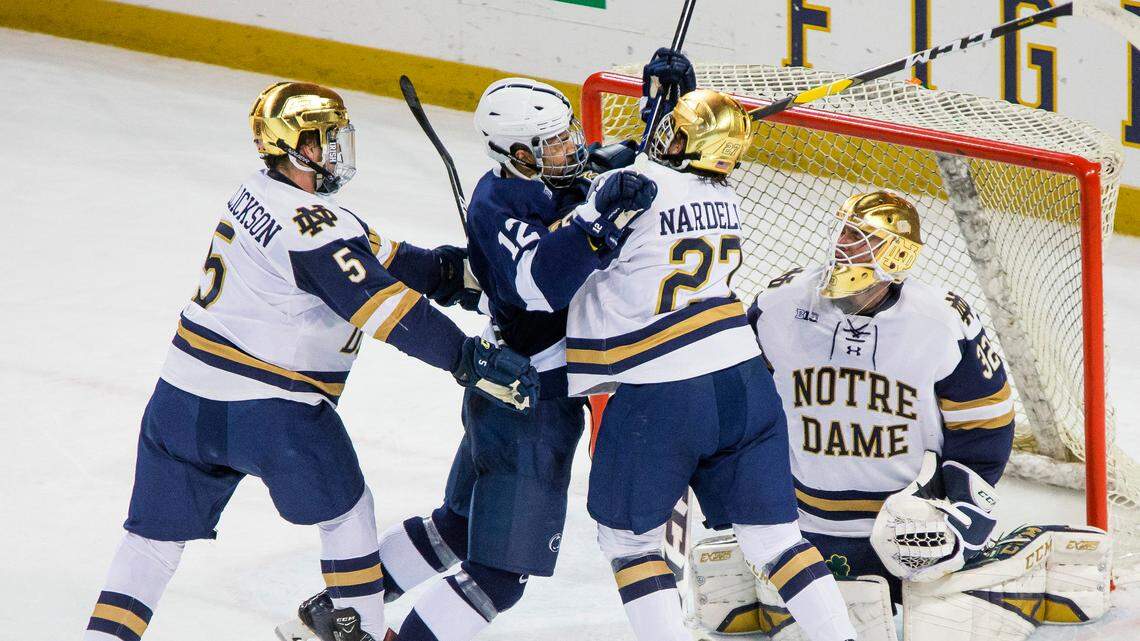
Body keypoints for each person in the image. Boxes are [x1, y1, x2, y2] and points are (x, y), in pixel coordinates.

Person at [82, 81, 538, 641]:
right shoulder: (313, 228)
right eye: (325, 140)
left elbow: (380, 259)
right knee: (348, 516)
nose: (338, 150)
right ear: (293, 146)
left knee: (149, 546)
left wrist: (455, 273)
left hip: (179, 403)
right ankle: (363, 630)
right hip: (273, 413)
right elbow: (384, 306)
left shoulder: (256, 195)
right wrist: (467, 358)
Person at [296, 77, 658, 641]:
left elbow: (596, 186)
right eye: (556, 143)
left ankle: (335, 611)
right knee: (500, 575)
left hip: (505, 396)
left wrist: (654, 117)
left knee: (459, 528)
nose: (573, 149)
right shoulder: (498, 206)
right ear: (520, 155)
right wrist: (599, 221)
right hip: (529, 404)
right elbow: (545, 284)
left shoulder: (537, 185)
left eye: (569, 137)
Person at [563, 52, 858, 641]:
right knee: (776, 540)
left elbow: (580, 234)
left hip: (662, 390)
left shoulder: (636, 189)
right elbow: (661, 167)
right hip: (744, 383)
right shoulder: (725, 196)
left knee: (628, 541)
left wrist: (601, 174)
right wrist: (662, 116)